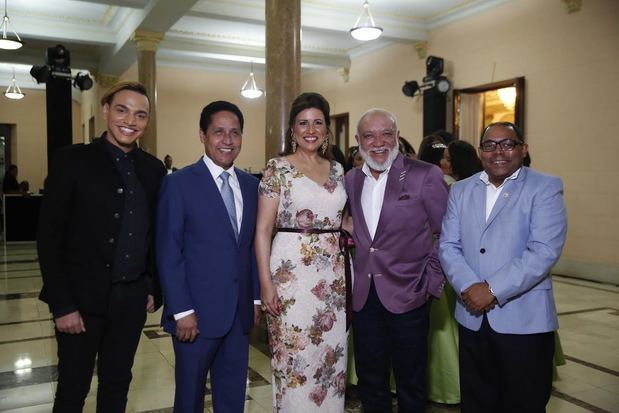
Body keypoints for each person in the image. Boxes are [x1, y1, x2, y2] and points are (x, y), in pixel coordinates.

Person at [37, 81, 166, 412]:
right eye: (122, 110)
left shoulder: (153, 170)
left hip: (130, 301)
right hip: (80, 303)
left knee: (117, 384)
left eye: (140, 115)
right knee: (72, 389)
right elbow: (49, 237)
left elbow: (155, 233)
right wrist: (62, 304)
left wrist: (152, 285)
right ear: (106, 111)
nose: (130, 121)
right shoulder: (72, 161)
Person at [439, 122, 567, 413]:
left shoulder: (545, 187)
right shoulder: (460, 190)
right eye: (489, 145)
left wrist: (493, 289)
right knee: (477, 402)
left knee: (524, 403)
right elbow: (448, 245)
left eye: (507, 144)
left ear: (523, 149)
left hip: (525, 321)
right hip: (472, 317)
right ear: (480, 151)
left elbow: (544, 251)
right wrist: (469, 287)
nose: (498, 151)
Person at [156, 101, 260, 413]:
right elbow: (168, 251)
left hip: (238, 316)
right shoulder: (178, 184)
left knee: (232, 398)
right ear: (203, 135)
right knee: (189, 399)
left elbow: (254, 248)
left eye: (235, 133)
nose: (227, 140)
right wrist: (181, 310)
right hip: (195, 318)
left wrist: (254, 301)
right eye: (218, 132)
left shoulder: (252, 186)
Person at [345, 108, 448, 413]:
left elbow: (448, 233)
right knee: (370, 381)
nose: (378, 142)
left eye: (386, 134)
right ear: (358, 141)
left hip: (410, 294)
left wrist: (430, 281)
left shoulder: (424, 175)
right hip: (364, 298)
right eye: (369, 135)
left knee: (411, 382)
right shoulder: (351, 179)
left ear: (397, 137)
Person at [256, 92, 348, 412]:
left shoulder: (338, 170)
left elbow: (344, 220)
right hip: (290, 276)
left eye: (318, 122)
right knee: (296, 360)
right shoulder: (277, 168)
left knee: (329, 360)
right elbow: (263, 231)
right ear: (292, 130)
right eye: (303, 123)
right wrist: (266, 283)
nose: (311, 129)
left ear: (327, 129)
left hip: (333, 282)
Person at [426, 140, 481, 404]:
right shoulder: (455, 185)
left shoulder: (451, 185)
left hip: (456, 264)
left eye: (447, 157)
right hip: (455, 262)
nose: (443, 161)